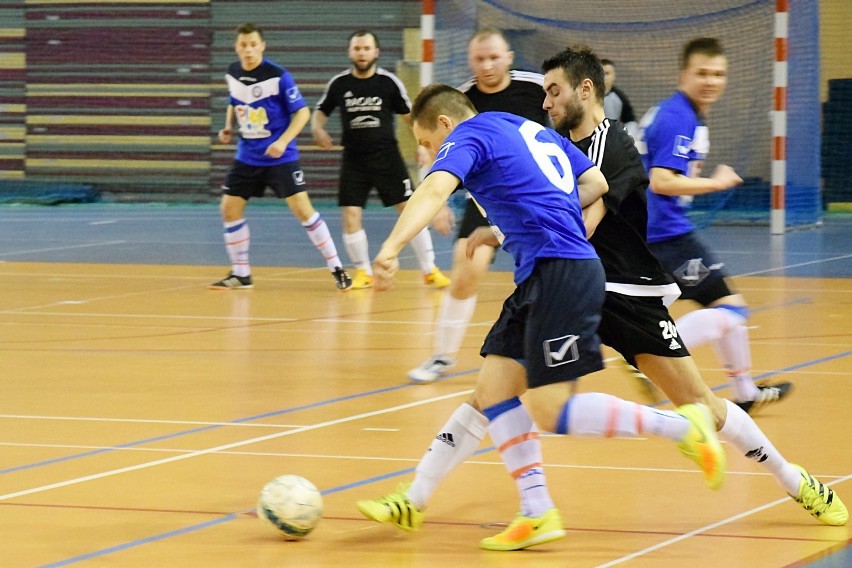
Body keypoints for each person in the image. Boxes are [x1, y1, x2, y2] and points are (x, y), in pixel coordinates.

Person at [355, 48, 847, 551]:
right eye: (544, 92)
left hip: (620, 289)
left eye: (554, 91)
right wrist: (506, 229)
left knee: (699, 401)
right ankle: (431, 499)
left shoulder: (615, 146)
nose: (545, 102)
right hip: (559, 278)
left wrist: (501, 231)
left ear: (585, 90)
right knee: (490, 390)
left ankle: (793, 479)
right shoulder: (543, 139)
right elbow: (541, 199)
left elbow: (582, 219)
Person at [636, 38, 792, 413]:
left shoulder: (686, 113)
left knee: (729, 307)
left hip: (662, 229)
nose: (711, 81)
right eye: (702, 73)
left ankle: (745, 394)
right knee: (732, 311)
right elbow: (662, 181)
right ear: (683, 75)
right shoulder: (678, 116)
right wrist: (717, 183)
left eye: (718, 74)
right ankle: (656, 355)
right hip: (664, 234)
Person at [407, 27, 549, 383]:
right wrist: (437, 202)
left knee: (555, 271)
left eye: (494, 58)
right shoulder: (461, 100)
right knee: (466, 266)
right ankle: (442, 356)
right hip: (485, 196)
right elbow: (436, 152)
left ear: (509, 59)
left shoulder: (537, 87)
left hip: (537, 196)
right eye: (479, 59)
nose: (487, 65)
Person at [210, 23, 351, 291]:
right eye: (243, 45)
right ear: (236, 47)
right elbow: (235, 100)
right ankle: (241, 274)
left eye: (253, 44)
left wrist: (282, 141)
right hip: (247, 156)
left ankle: (337, 268)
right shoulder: (233, 73)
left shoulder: (278, 76)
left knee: (302, 209)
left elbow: (302, 113)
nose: (249, 50)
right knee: (229, 208)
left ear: (262, 46)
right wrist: (228, 126)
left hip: (280, 157)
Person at [311, 29, 450, 290]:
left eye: (366, 48)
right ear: (350, 52)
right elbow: (320, 111)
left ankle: (429, 269)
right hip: (354, 159)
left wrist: (422, 145)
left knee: (411, 211)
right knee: (351, 214)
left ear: (376, 52)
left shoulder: (388, 82)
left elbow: (411, 117)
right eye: (357, 48)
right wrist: (317, 128)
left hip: (387, 157)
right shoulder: (339, 84)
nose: (362, 53)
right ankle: (364, 272)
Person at [601, 58, 637, 138]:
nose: (603, 77)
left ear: (614, 76)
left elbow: (630, 122)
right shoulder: (586, 96)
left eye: (607, 73)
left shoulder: (619, 98)